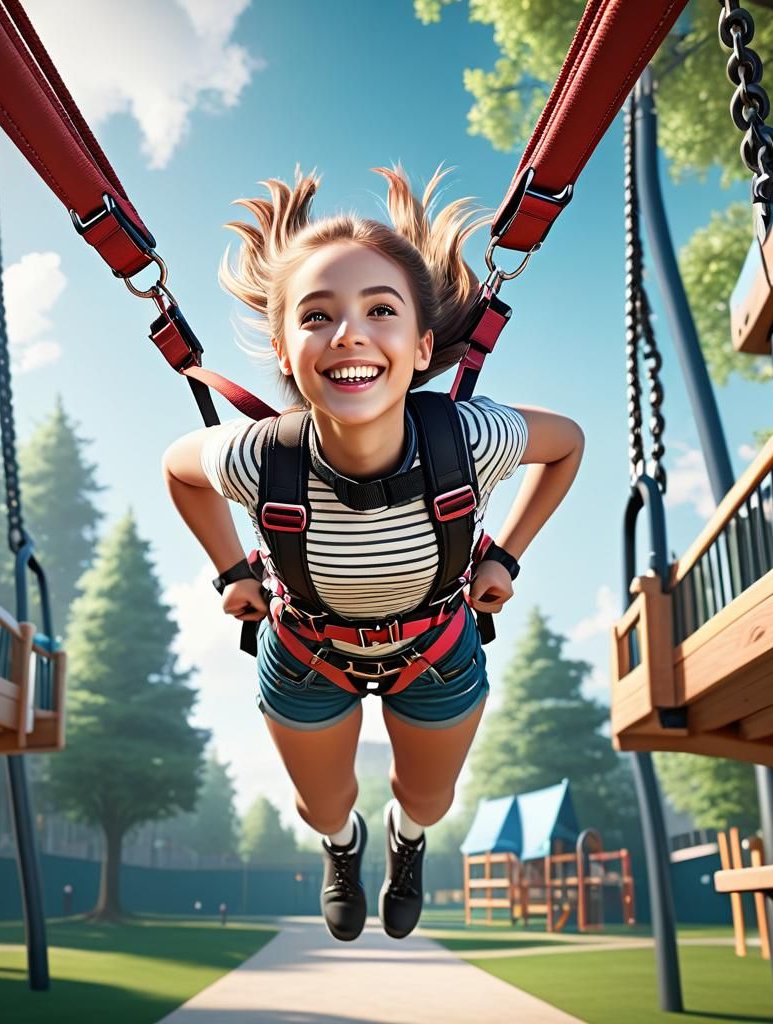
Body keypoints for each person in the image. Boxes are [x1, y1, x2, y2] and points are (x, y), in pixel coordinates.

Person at [162, 167, 584, 943]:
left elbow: (567, 446)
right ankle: (343, 844)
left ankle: (405, 839)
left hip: (437, 651)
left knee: (428, 799)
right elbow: (178, 468)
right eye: (317, 316)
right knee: (318, 805)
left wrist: (507, 558)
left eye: (379, 310)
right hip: (304, 655)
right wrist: (232, 571)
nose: (349, 333)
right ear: (287, 355)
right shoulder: (257, 456)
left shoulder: (472, 437)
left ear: (423, 347)